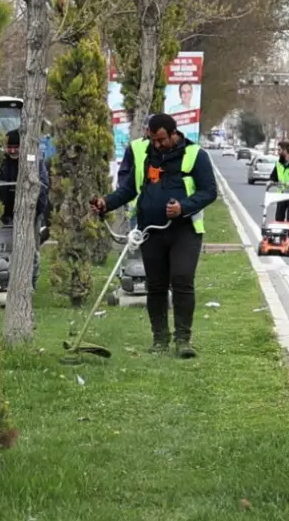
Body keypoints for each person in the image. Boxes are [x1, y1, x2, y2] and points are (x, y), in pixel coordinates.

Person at [91, 113, 217, 358]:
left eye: (161, 140)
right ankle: (160, 339)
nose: (157, 144)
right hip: (150, 231)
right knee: (156, 286)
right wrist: (106, 203)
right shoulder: (144, 155)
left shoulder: (195, 155)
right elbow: (129, 189)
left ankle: (183, 340)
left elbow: (209, 191)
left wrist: (183, 207)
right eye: (153, 139)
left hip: (184, 231)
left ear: (174, 134)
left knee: (181, 280)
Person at [0, 128, 51, 286]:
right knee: (5, 248)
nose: (12, 151)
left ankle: (31, 283)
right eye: (9, 147)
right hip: (6, 212)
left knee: (30, 250)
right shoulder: (0, 162)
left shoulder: (34, 161)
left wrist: (35, 211)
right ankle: (6, 280)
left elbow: (43, 185)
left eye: (16, 147)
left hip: (30, 213)